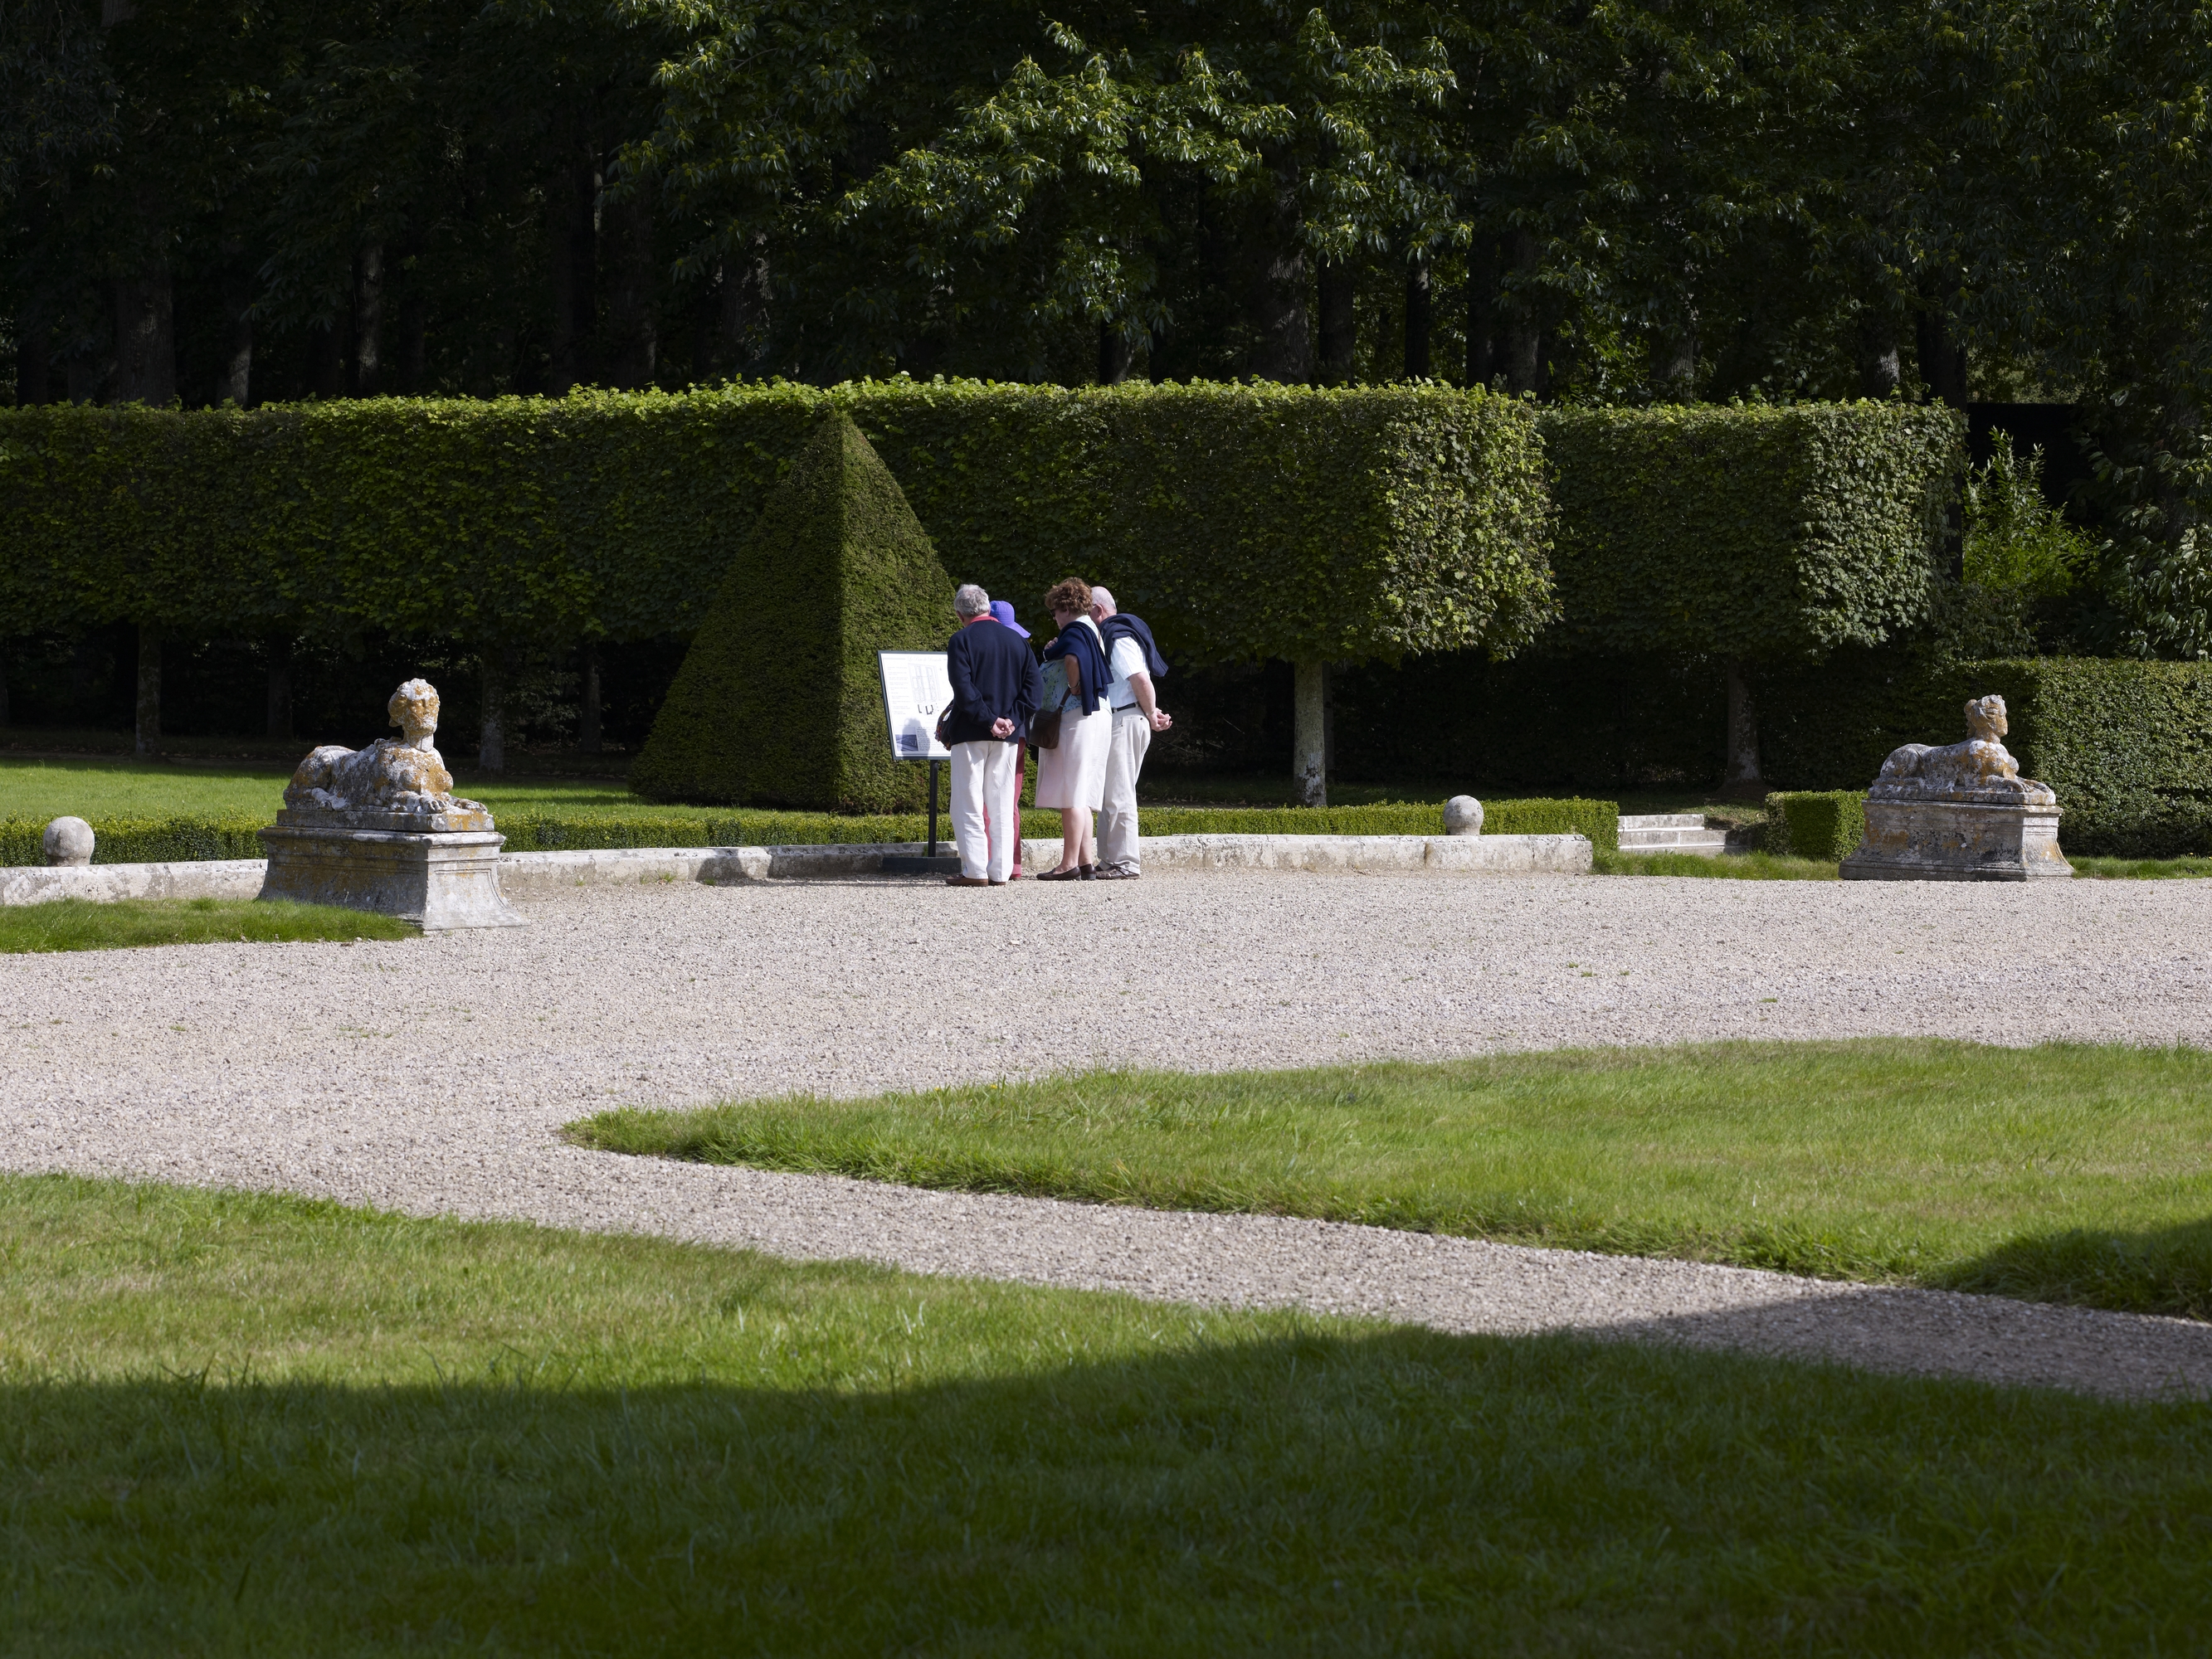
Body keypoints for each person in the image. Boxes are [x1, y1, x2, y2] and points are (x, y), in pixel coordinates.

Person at [941, 582, 1040, 887]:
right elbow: (1034, 690)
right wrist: (1010, 719)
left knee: (968, 801)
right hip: (1008, 734)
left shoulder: (961, 640)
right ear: (986, 607)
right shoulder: (1017, 641)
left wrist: (988, 720)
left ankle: (975, 870)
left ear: (960, 614)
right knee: (1001, 802)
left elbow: (964, 689)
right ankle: (1000, 871)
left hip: (971, 731)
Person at [1087, 585, 1171, 879]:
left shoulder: (1118, 635)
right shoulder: (1115, 633)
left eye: (1086, 612)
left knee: (1119, 793)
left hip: (1125, 717)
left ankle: (1126, 862)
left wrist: (1151, 712)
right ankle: (1109, 860)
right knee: (1111, 793)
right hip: (1124, 717)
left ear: (1097, 610)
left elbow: (1140, 678)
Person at [1032, 576, 1112, 879]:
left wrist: (1075, 686)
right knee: (1083, 792)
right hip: (1098, 716)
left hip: (1077, 717)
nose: (1054, 618)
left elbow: (1072, 658)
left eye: (1055, 612)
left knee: (1072, 793)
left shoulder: (1076, 630)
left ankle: (1068, 865)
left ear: (1065, 608)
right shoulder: (1092, 630)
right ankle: (1086, 862)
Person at [988, 600, 1032, 877]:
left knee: (987, 797)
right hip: (1019, 730)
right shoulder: (1021, 647)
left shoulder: (982, 647)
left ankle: (989, 860)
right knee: (1010, 798)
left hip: (989, 727)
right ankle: (1012, 864)